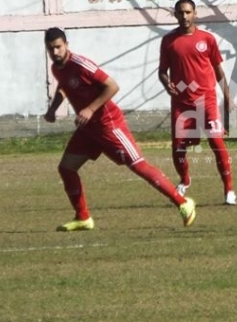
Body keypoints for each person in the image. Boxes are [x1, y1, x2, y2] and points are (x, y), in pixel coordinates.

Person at [43, 27, 196, 231]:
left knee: (138, 165)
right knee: (66, 168)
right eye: (50, 49)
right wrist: (53, 109)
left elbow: (112, 86)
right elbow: (64, 86)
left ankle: (183, 203)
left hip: (108, 124)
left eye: (58, 47)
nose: (55, 53)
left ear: (66, 45)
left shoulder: (80, 64)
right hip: (88, 129)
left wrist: (89, 108)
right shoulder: (57, 68)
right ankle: (83, 217)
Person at [159, 0, 236, 205]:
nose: (184, 16)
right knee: (178, 147)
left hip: (207, 101)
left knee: (217, 143)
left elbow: (218, 70)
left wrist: (228, 96)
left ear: (195, 14)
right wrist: (167, 84)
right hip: (181, 104)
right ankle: (184, 180)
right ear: (175, 15)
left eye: (187, 12)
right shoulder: (168, 41)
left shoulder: (207, 39)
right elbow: (162, 72)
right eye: (180, 13)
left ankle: (229, 189)